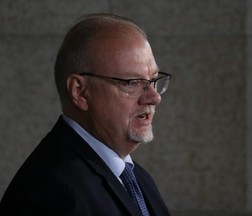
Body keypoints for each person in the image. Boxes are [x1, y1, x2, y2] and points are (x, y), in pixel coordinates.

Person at [0, 13, 171, 216]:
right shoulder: (51, 192)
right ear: (80, 92)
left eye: (152, 79)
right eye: (132, 82)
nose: (154, 97)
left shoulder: (138, 179)